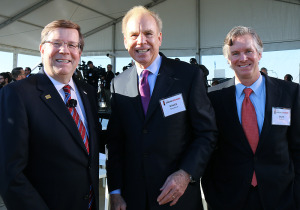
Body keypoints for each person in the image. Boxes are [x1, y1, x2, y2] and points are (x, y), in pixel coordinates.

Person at [106, 6, 217, 210]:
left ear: (159, 37)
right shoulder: (118, 84)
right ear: (125, 41)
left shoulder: (188, 76)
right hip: (133, 200)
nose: (141, 41)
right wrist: (115, 192)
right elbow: (116, 144)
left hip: (178, 199)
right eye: (134, 35)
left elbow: (207, 134)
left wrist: (186, 173)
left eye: (148, 34)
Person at [0, 20, 102, 210]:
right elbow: (10, 173)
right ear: (42, 49)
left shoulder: (87, 93)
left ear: (79, 52)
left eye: (72, 45)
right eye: (56, 43)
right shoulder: (18, 94)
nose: (64, 50)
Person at [201, 26, 300, 210]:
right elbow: (208, 148)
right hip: (228, 199)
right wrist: (213, 195)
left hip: (281, 199)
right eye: (235, 53)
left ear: (260, 54)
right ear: (228, 59)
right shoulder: (213, 98)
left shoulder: (290, 93)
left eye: (249, 51)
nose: (243, 58)